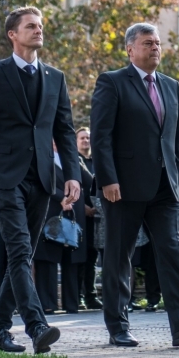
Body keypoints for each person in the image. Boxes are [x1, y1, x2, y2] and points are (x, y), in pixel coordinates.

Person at [90, 22, 179, 347]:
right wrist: (108, 179)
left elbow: (175, 142)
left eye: (158, 42)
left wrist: (178, 183)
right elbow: (100, 136)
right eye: (148, 43)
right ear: (130, 49)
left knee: (172, 254)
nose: (155, 47)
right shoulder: (112, 82)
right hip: (124, 187)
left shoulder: (171, 86)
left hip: (164, 188)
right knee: (119, 256)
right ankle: (118, 326)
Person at [0, 5, 81, 354]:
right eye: (31, 26)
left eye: (41, 25)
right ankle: (36, 326)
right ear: (12, 34)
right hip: (5, 177)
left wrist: (72, 175)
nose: (38, 30)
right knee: (19, 253)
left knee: (19, 257)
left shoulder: (55, 77)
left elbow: (64, 129)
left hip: (43, 180)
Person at [33, 142, 90, 314]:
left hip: (74, 215)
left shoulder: (74, 158)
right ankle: (47, 304)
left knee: (72, 260)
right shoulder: (41, 157)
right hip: (51, 211)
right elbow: (39, 181)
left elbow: (89, 182)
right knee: (48, 260)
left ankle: (71, 303)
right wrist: (59, 197)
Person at [75, 127, 102, 310]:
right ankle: (77, 296)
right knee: (79, 258)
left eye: (88, 138)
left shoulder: (97, 161)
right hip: (77, 215)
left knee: (92, 257)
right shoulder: (73, 160)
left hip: (98, 217)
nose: (86, 141)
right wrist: (81, 207)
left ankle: (90, 296)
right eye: (82, 138)